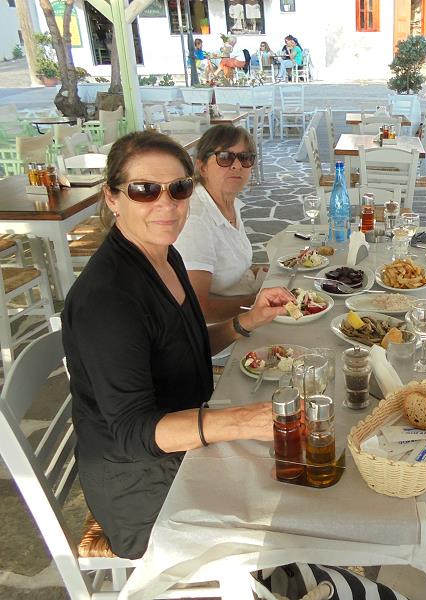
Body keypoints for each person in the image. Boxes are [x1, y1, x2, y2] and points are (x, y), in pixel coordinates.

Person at [62, 131, 295, 559]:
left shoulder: (164, 255)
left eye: (179, 188)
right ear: (113, 197)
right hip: (141, 487)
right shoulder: (107, 300)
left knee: (299, 474)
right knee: (291, 513)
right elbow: (133, 432)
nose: (166, 204)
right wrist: (240, 421)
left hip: (184, 442)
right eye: (144, 190)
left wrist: (246, 322)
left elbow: (183, 346)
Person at [174, 125, 267, 323]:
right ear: (202, 167)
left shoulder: (227, 203)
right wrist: (259, 303)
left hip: (243, 305)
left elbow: (228, 266)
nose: (237, 165)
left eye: (245, 158)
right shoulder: (195, 220)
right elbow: (198, 309)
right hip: (219, 330)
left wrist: (260, 272)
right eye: (225, 157)